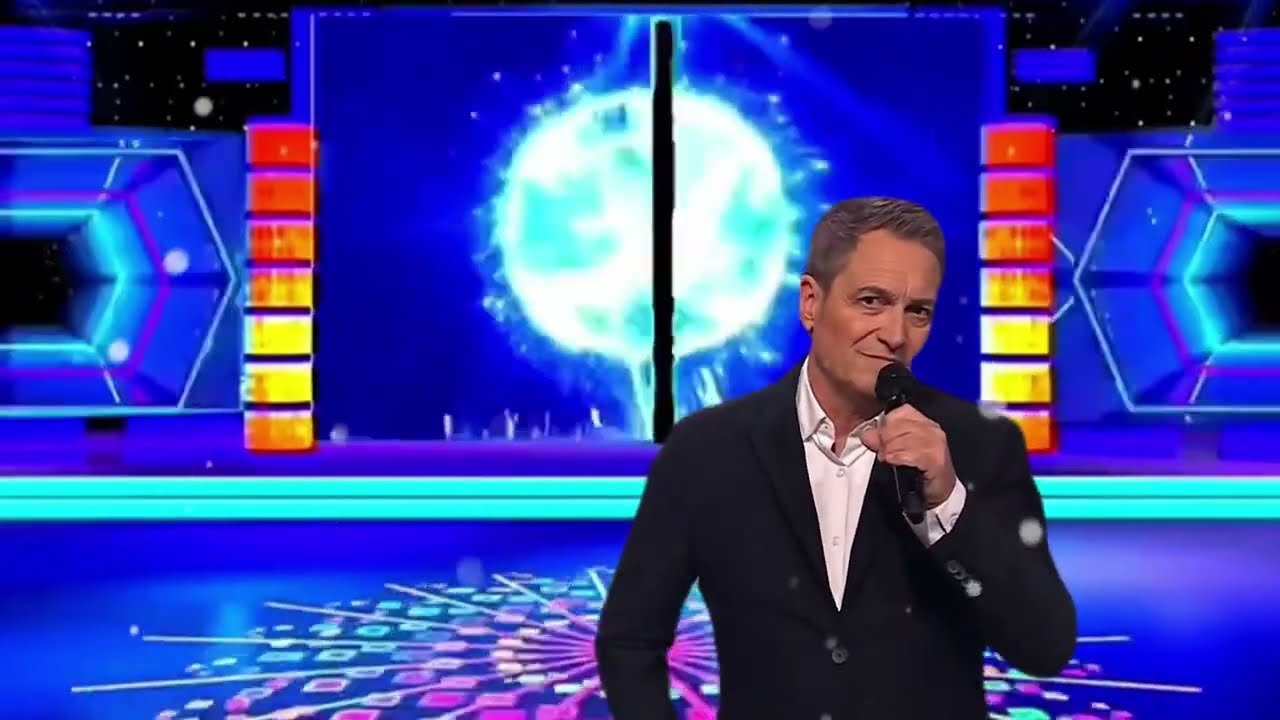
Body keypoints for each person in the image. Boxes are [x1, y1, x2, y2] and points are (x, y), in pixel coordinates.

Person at [595, 197, 1076, 719]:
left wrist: (946, 505)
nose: (895, 334)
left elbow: (1044, 647)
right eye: (871, 301)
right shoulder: (707, 451)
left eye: (917, 311)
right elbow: (628, 640)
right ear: (811, 303)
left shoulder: (979, 444)